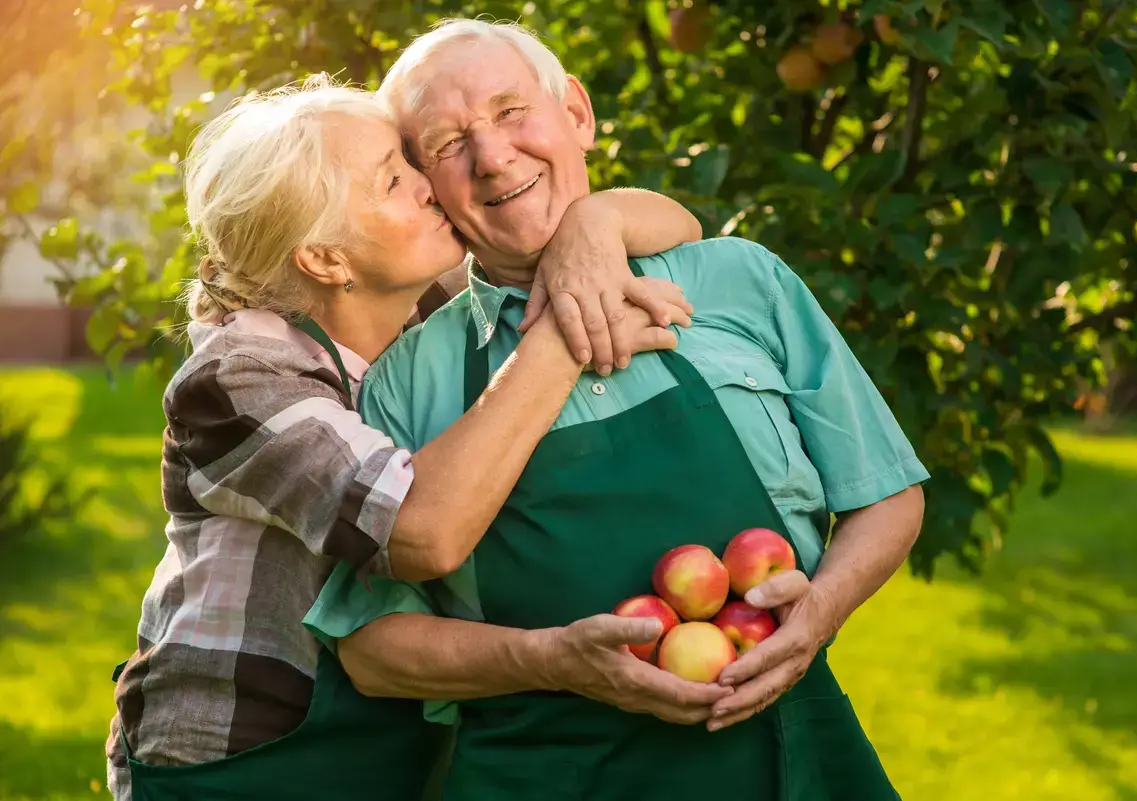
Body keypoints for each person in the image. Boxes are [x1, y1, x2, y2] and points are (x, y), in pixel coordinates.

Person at [306, 18, 930, 801]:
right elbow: (371, 647)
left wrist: (820, 613)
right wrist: (548, 659)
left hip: (784, 757)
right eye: (447, 142)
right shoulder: (406, 379)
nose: (493, 156)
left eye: (510, 111)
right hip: (538, 773)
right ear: (429, 184)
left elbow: (887, 493)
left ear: (576, 113)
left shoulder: (739, 280)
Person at [103, 74, 712, 801]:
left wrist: (596, 226)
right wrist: (563, 333)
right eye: (395, 180)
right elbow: (422, 533)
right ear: (327, 258)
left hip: (391, 737)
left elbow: (682, 225)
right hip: (240, 759)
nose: (430, 186)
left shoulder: (426, 308)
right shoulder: (236, 382)